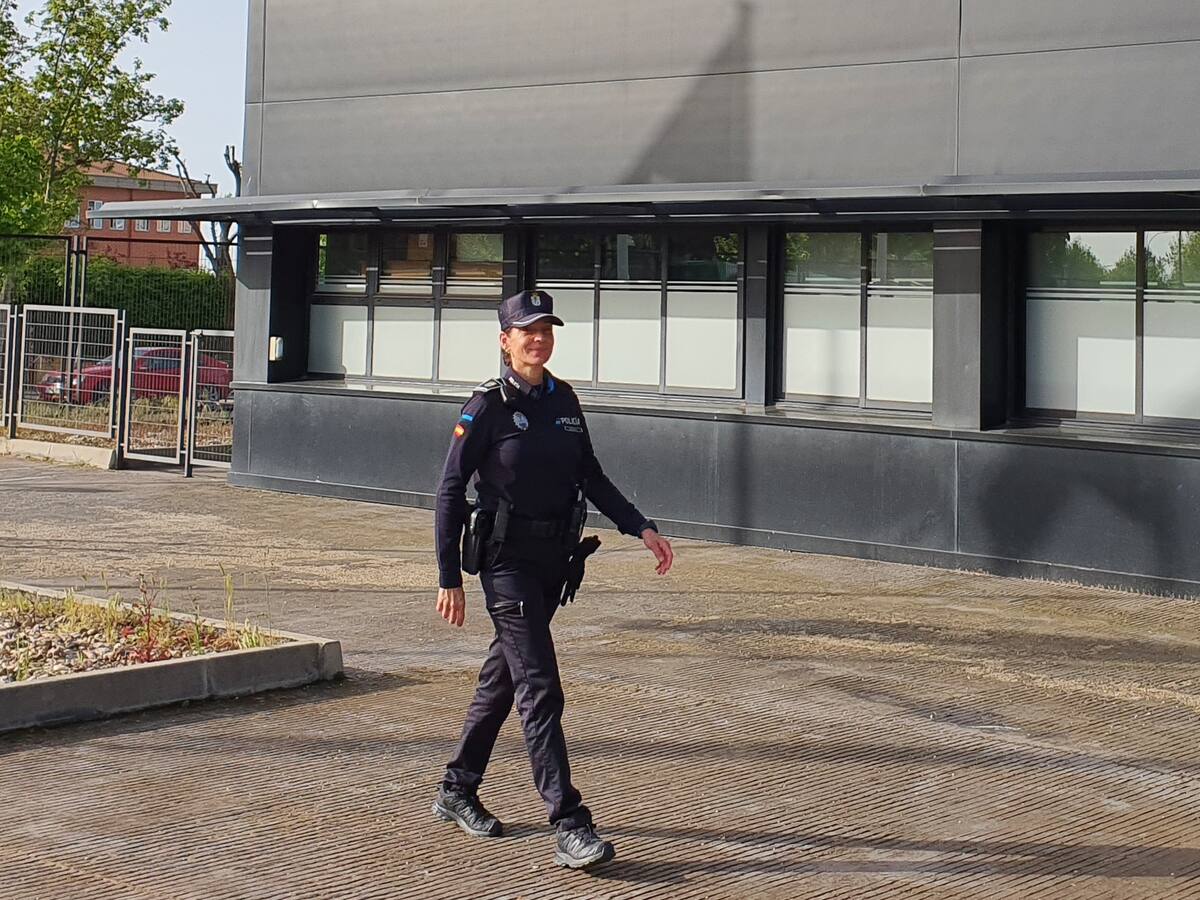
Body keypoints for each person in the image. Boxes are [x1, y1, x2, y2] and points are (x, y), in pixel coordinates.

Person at [432, 289, 674, 870]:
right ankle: (569, 823)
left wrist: (640, 526)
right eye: (528, 331)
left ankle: (457, 788)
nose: (539, 339)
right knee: (540, 688)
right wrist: (449, 576)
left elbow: (590, 474)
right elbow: (449, 490)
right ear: (505, 341)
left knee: (503, 681)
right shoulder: (486, 407)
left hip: (552, 564)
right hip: (506, 566)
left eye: (546, 330)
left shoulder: (564, 399)